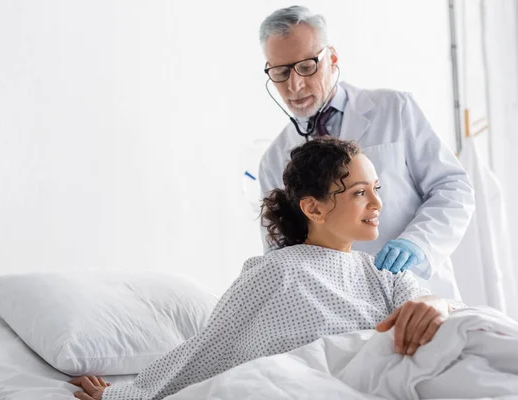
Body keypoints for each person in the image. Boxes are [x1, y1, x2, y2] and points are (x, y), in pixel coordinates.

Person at [71, 138, 461, 400]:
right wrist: (121, 394)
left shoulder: (385, 274)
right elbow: (209, 349)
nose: (377, 203)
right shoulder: (274, 273)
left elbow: (428, 310)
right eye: (360, 192)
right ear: (313, 208)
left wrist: (437, 307)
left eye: (377, 188)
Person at [258, 6, 475, 300]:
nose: (294, 85)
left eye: (307, 66)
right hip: (338, 310)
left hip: (418, 292)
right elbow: (280, 251)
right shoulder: (274, 160)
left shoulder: (394, 109)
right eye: (281, 72)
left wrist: (417, 244)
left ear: (331, 59)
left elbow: (453, 187)